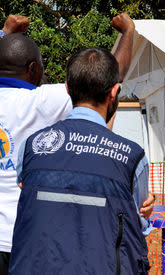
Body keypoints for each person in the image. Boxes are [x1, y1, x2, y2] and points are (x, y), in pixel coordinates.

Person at [0, 13, 146, 274]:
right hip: (26, 238)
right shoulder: (40, 101)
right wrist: (128, 33)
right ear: (33, 69)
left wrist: (4, 32)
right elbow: (110, 77)